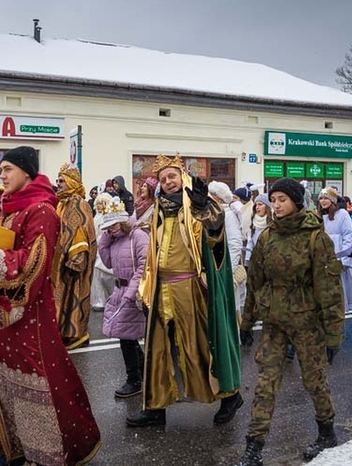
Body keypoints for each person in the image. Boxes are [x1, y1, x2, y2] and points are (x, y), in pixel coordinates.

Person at [0, 146, 101, 465]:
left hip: (28, 314)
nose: (2, 176)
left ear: (27, 172)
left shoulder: (42, 210)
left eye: (8, 169)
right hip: (1, 314)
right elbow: (1, 246)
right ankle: (8, 445)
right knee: (3, 385)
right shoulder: (8, 207)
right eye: (2, 169)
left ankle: (45, 452)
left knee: (36, 386)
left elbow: (36, 259)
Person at [127, 153, 242, 427]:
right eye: (164, 178)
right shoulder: (158, 210)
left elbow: (216, 235)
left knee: (200, 345)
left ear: (183, 178)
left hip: (190, 287)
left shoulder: (198, 207)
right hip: (160, 290)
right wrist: (145, 289)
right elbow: (152, 256)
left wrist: (206, 210)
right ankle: (155, 407)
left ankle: (230, 396)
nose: (169, 182)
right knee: (157, 349)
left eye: (173, 177)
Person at [236, 178, 344, 464]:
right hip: (273, 322)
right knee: (265, 382)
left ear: (296, 201)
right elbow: (255, 283)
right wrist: (246, 324)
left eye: (283, 199)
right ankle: (254, 447)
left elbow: (329, 289)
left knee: (314, 379)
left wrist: (333, 335)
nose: (277, 204)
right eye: (274, 199)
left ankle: (326, 431)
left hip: (306, 323)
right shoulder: (267, 237)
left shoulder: (315, 237)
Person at [98, 199, 149, 398]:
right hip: (120, 290)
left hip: (133, 292)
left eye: (113, 226)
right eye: (107, 228)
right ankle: (141, 370)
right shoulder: (116, 239)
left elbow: (144, 266)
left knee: (126, 337)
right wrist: (105, 240)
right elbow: (108, 262)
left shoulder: (138, 236)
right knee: (127, 334)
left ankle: (134, 379)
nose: (110, 230)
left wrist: (131, 292)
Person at [53, 163, 97, 349]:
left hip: (73, 262)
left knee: (74, 297)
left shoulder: (79, 203)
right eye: (58, 180)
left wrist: (76, 260)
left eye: (62, 180)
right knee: (61, 298)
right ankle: (62, 332)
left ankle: (76, 335)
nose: (59, 183)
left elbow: (82, 231)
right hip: (61, 260)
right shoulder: (62, 202)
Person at [318, 187, 352, 313]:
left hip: (339, 256)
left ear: (333, 200)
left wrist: (343, 258)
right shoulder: (320, 216)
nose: (323, 201)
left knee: (342, 286)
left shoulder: (342, 214)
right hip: (325, 257)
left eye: (326, 198)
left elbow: (348, 236)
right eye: (321, 198)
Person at [209, 181, 246, 314]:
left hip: (224, 270)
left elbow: (235, 243)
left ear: (219, 199)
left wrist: (228, 272)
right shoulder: (213, 215)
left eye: (211, 196)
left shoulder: (228, 215)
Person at [90, 192, 115, 312]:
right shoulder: (96, 216)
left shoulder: (107, 217)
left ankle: (109, 299)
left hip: (104, 249)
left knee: (106, 276)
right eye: (98, 203)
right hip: (96, 249)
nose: (99, 206)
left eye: (102, 203)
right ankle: (99, 300)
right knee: (96, 277)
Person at [244, 193, 271, 266]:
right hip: (256, 262)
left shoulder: (273, 224)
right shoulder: (253, 224)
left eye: (260, 204)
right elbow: (250, 243)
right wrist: (247, 261)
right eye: (256, 205)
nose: (257, 207)